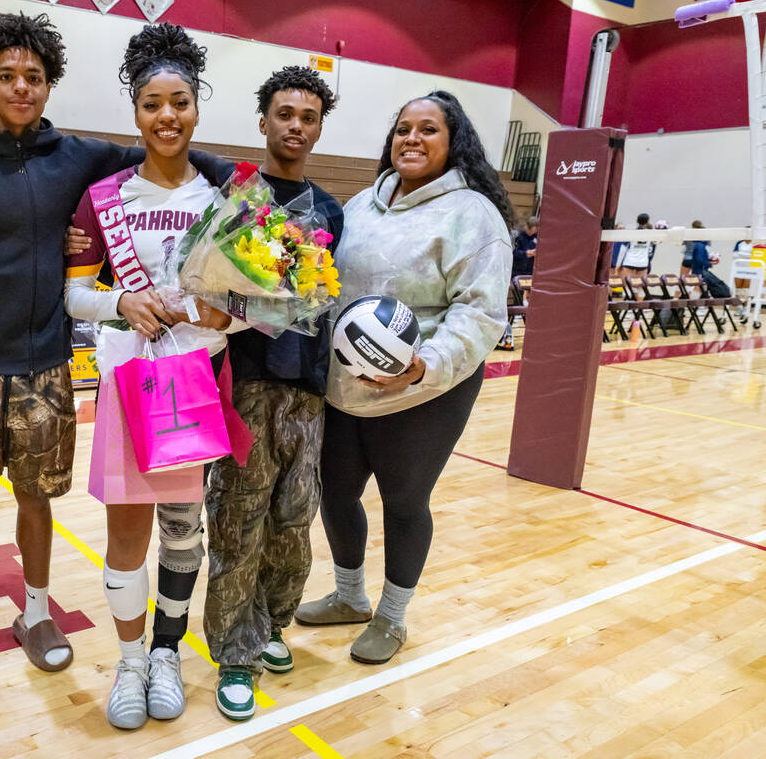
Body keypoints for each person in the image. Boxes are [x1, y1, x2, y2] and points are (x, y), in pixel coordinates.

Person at [0, 12, 227, 696]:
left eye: (34, 77)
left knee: (35, 502)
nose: (21, 88)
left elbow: (177, 151)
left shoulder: (78, 159)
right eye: (7, 77)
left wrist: (270, 190)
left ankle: (35, 613)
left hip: (48, 365)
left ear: (50, 83)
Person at [296, 90, 512, 666]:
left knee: (404, 501)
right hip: (347, 386)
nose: (411, 139)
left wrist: (424, 367)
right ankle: (348, 597)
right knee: (336, 492)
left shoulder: (473, 214)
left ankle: (392, 617)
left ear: (453, 142)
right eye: (402, 130)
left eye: (428, 130)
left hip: (425, 390)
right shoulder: (364, 204)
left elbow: (482, 313)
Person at [63, 22, 238, 730]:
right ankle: (131, 661)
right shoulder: (102, 198)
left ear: (197, 107)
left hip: (197, 384)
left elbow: (251, 305)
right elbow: (74, 295)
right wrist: (120, 300)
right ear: (135, 113)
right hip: (129, 386)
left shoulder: (226, 200)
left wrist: (221, 314)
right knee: (127, 533)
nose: (167, 116)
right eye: (152, 104)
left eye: (180, 102)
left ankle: (168, 651)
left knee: (184, 529)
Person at [201, 66, 343, 721]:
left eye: (308, 117)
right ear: (264, 121)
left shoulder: (332, 210)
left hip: (307, 390)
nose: (295, 126)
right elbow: (205, 284)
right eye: (284, 113)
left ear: (318, 128)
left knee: (293, 521)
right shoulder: (235, 198)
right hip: (245, 385)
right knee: (238, 521)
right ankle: (234, 652)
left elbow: (322, 298)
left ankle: (271, 621)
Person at [498, 215, 537, 350]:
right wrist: (527, 253)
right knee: (518, 299)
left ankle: (511, 333)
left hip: (529, 272)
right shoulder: (519, 238)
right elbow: (514, 254)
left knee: (521, 301)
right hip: (516, 271)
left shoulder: (537, 238)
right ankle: (506, 333)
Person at [620, 213, 653, 278]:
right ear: (647, 221)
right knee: (640, 286)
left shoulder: (631, 232)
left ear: (637, 221)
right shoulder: (651, 233)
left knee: (626, 285)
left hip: (629, 261)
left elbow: (624, 245)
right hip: (642, 262)